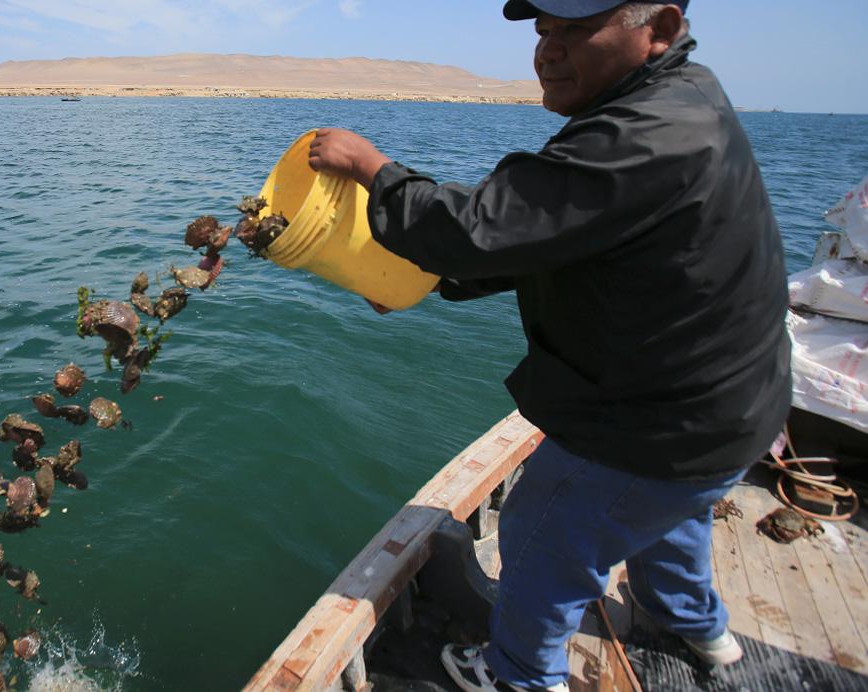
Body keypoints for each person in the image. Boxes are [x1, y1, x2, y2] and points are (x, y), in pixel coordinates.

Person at [307, 1, 791, 690]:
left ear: (660, 30)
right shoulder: (684, 99)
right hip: (735, 414)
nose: (548, 51)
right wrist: (438, 281)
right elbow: (559, 236)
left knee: (541, 531)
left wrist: (370, 165)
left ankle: (522, 675)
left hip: (662, 427)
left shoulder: (644, 134)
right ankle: (697, 629)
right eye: (543, 31)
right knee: (671, 515)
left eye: (575, 30)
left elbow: (478, 228)